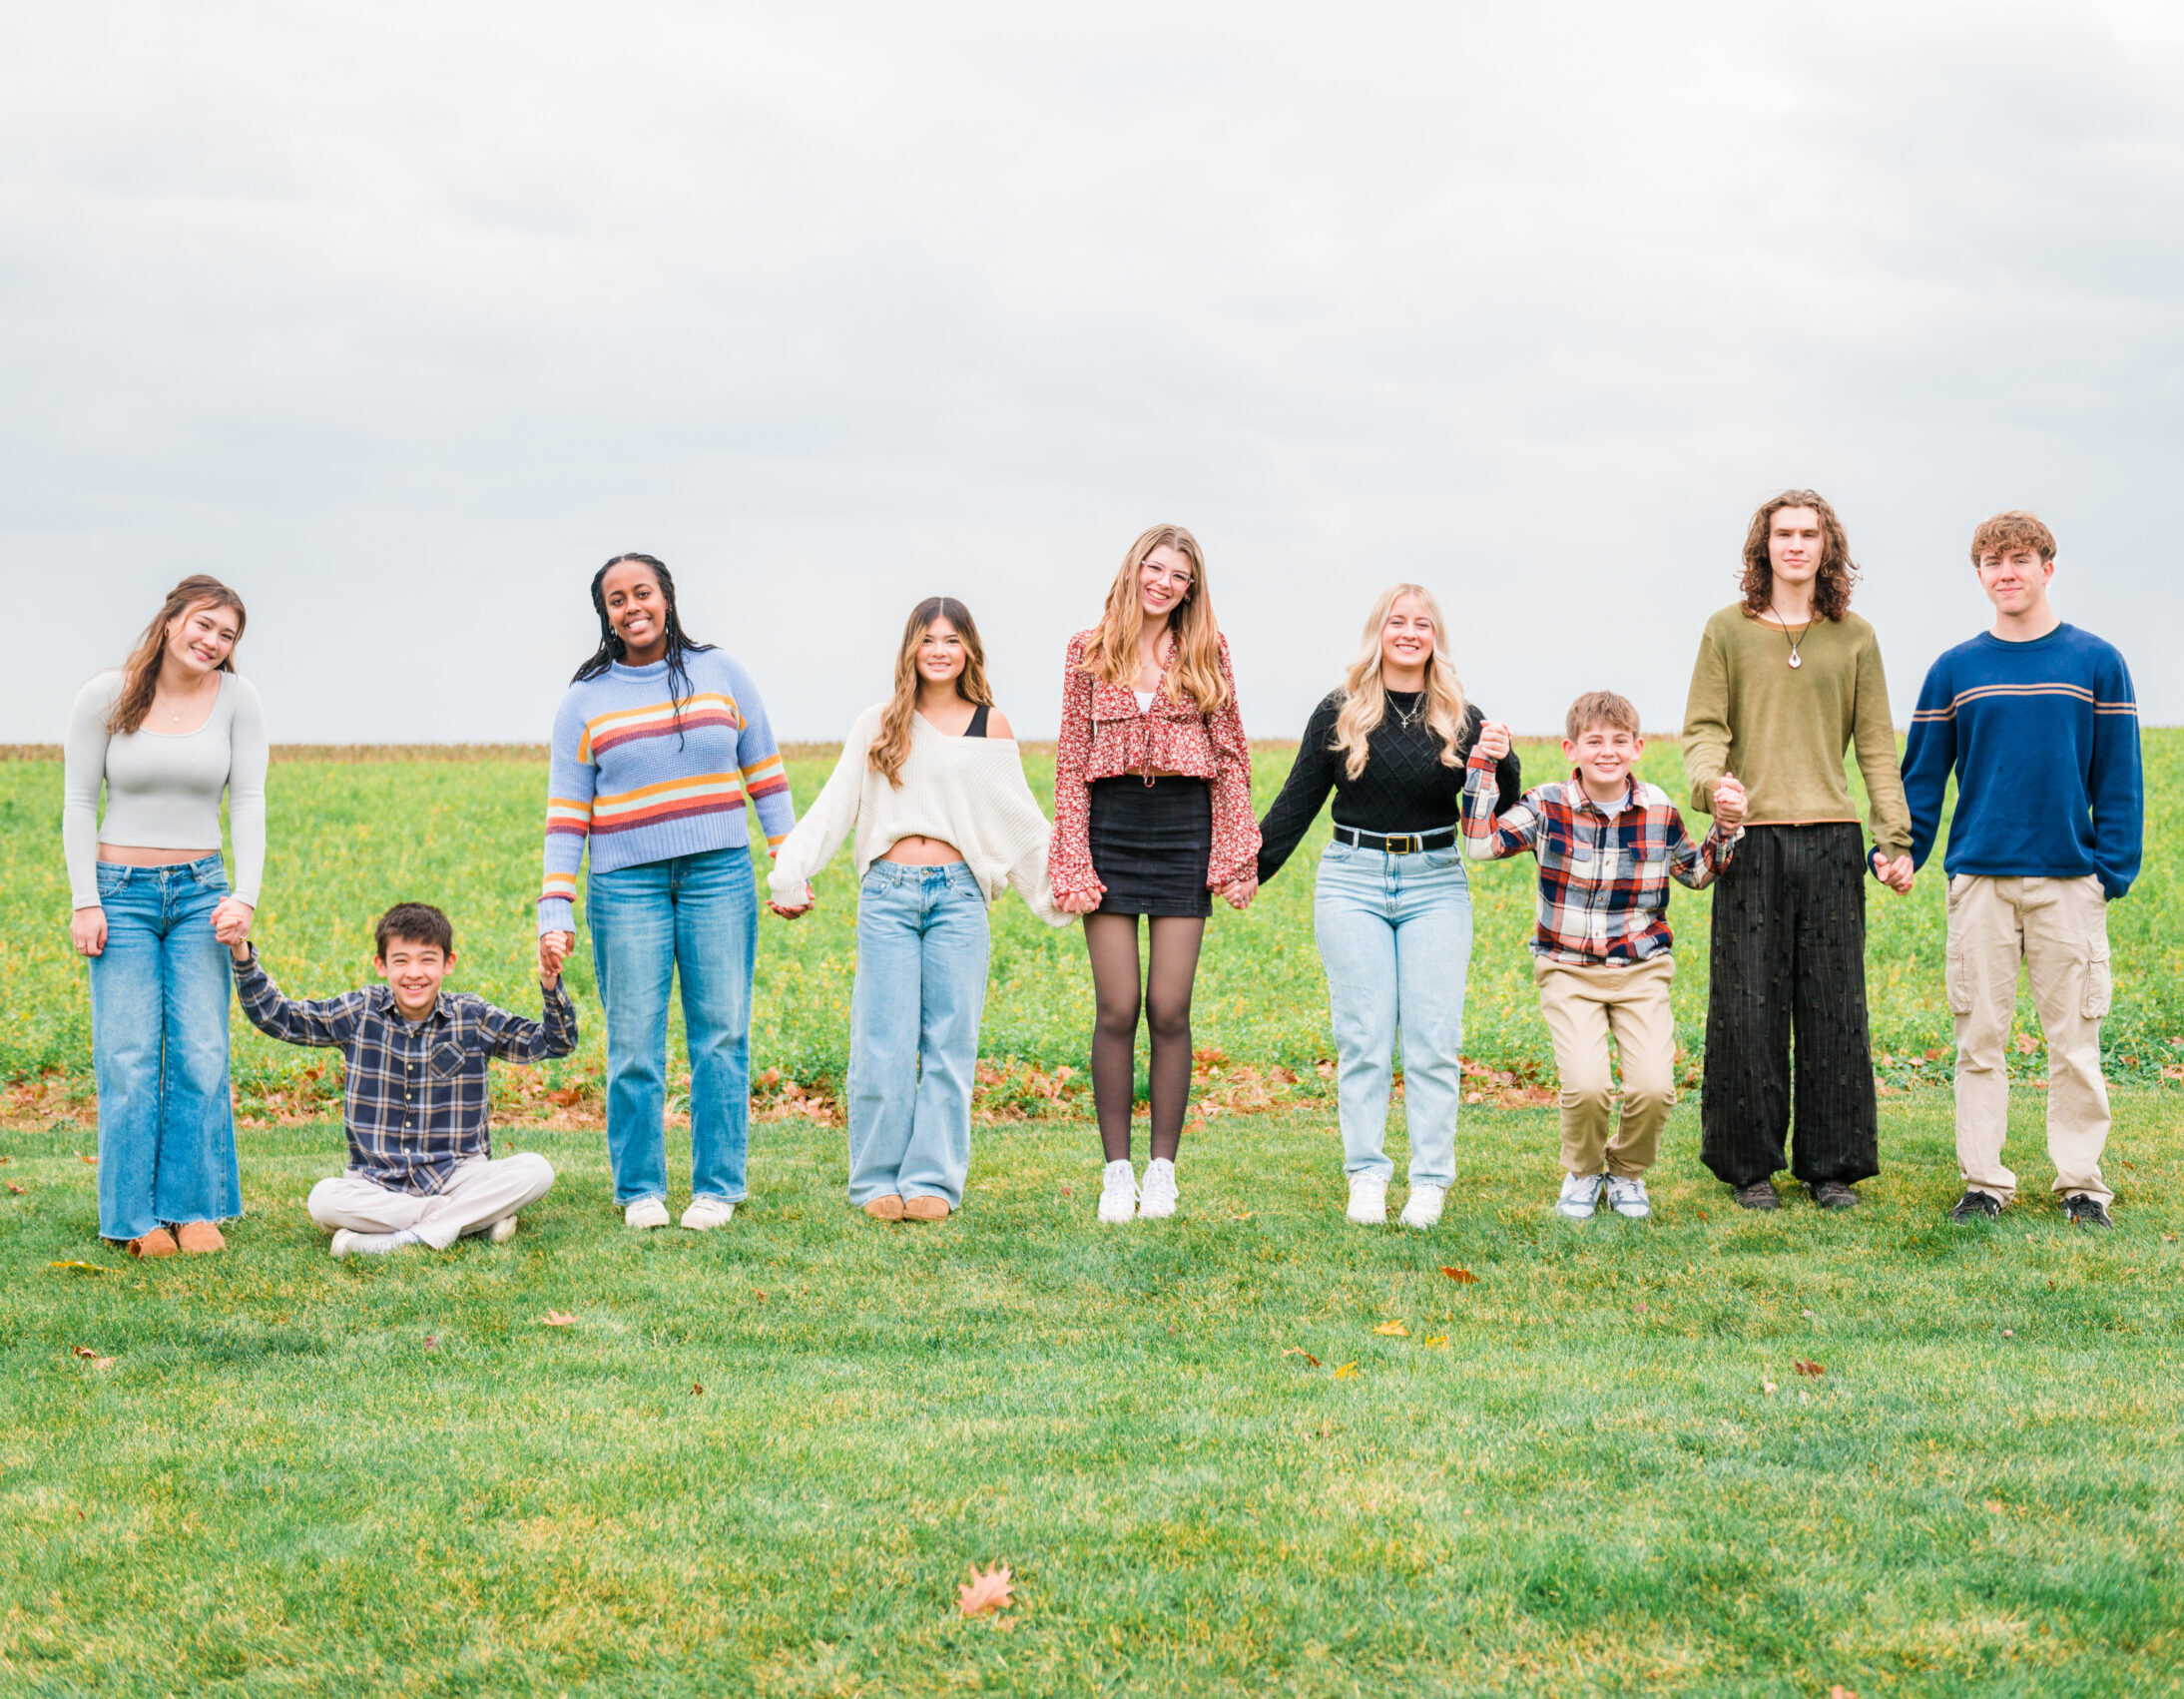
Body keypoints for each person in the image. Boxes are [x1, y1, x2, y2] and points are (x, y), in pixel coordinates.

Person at [769, 599, 1069, 1221]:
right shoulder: (879, 723)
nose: (939, 649)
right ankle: (877, 1178)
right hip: (888, 896)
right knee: (881, 1041)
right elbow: (835, 805)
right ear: (910, 648)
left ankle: (933, 1179)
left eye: (951, 639)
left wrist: (1068, 885)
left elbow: (1023, 824)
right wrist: (790, 871)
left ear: (968, 651)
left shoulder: (992, 727)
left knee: (949, 1044)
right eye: (927, 638)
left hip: (959, 896)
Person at [538, 553, 796, 1232]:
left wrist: (787, 862)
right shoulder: (584, 701)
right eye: (617, 599)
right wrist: (554, 910)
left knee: (722, 1034)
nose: (632, 607)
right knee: (633, 1043)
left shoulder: (722, 673)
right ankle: (640, 1189)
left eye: (642, 592)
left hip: (719, 873)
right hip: (625, 885)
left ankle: (717, 1187)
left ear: (667, 597)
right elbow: (567, 815)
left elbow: (765, 771)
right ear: (607, 615)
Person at [1901, 512, 2141, 1229]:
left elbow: (2119, 775)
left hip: (2069, 879)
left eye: (2020, 559)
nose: (2006, 572)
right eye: (1992, 562)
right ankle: (1984, 1182)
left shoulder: (2096, 661)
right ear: (1979, 574)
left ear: (2047, 567)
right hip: (1979, 878)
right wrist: (1906, 853)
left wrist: (2111, 869)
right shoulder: (1955, 669)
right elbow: (1924, 776)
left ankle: (2081, 1185)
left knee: (2074, 1041)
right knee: (1980, 1038)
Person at [1254, 584, 1519, 1230]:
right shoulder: (1340, 711)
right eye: (1396, 621)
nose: (1409, 632)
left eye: (1421, 623)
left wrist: (1504, 760)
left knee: (1432, 1042)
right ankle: (1367, 1176)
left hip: (1435, 883)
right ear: (1378, 632)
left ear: (1435, 637)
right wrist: (1243, 874)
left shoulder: (1464, 716)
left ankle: (1429, 1182)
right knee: (1364, 1039)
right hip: (1352, 881)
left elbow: (1500, 811)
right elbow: (1295, 805)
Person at [1682, 489, 1913, 1212]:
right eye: (1783, 533)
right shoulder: (1726, 630)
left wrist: (1893, 839)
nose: (1796, 545)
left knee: (1833, 1006)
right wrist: (1711, 788)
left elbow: (1876, 746)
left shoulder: (1855, 637)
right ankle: (1749, 1166)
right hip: (1749, 842)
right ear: (1764, 546)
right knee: (1746, 1007)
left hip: (1833, 842)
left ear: (1826, 547)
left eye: (1809, 534)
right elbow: (1703, 729)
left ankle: (1831, 1167)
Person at [1048, 524, 1259, 1225]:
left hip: (1181, 831)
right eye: (1155, 567)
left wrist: (1236, 854)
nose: (1163, 582)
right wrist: (1071, 858)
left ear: (1191, 588)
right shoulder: (1087, 650)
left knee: (1169, 1009)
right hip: (1110, 829)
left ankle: (1161, 1171)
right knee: (1117, 1008)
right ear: (1134, 569)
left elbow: (1230, 757)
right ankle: (1116, 1173)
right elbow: (1071, 766)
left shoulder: (1207, 652)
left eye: (1179, 575)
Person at [1466, 692, 1745, 1221]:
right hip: (1567, 969)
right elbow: (1481, 844)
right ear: (1572, 748)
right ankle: (1584, 1171)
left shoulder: (1659, 809)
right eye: (1594, 741)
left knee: (1654, 1088)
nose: (1607, 751)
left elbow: (1698, 873)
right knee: (1587, 1085)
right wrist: (1486, 762)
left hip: (1642, 971)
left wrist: (1727, 826)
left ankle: (1626, 1173)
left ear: (1638, 748)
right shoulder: (1546, 805)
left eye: (1620, 741)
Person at [63, 575, 265, 1259]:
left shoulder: (238, 701)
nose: (212, 641)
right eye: (204, 625)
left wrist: (245, 896)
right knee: (127, 1057)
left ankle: (193, 1206)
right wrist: (85, 899)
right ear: (172, 619)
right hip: (119, 894)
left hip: (202, 894)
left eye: (227, 635)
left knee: (202, 1055)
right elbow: (78, 804)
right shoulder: (107, 694)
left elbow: (248, 803)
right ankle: (136, 1219)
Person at [232, 903, 571, 1255]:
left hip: (457, 1176)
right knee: (323, 1200)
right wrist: (242, 953)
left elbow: (554, 1042)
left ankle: (396, 1240)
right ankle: (468, 1221)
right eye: (401, 961)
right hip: (376, 1182)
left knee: (536, 1170)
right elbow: (278, 1017)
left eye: (427, 960)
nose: (414, 973)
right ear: (382, 965)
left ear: (448, 963)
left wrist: (550, 983)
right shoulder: (360, 1012)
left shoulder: (472, 1017)